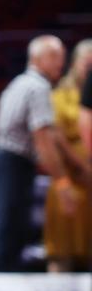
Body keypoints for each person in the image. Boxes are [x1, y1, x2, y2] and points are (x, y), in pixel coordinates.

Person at [0, 35, 72, 272]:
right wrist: (63, 182)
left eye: (63, 57)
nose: (60, 63)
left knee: (9, 232)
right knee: (9, 233)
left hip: (7, 160)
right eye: (54, 56)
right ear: (36, 58)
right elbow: (43, 140)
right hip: (14, 163)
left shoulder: (21, 82)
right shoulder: (38, 87)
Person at [44, 39, 92, 272]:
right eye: (87, 63)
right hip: (70, 181)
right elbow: (55, 138)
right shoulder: (60, 95)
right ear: (75, 64)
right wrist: (82, 167)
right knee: (62, 253)